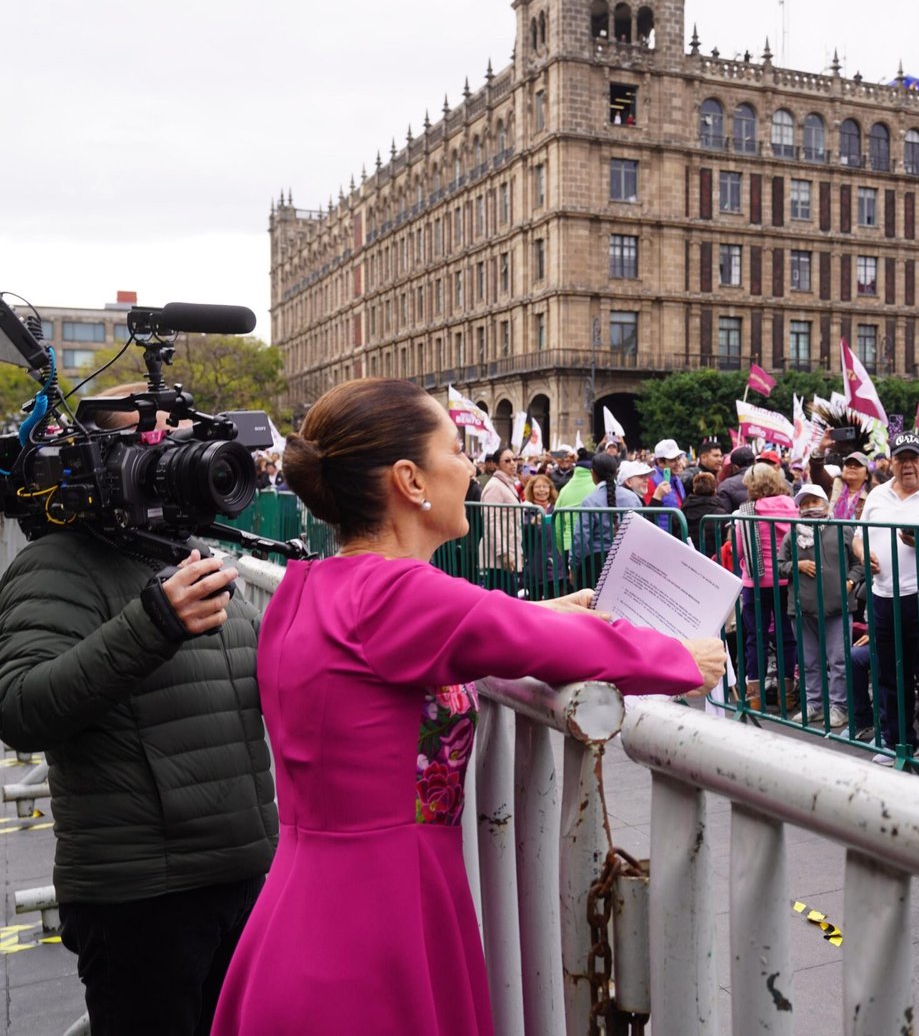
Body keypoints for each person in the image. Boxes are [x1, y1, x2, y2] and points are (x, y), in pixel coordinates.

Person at [211, 378, 721, 1035]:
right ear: (409, 479)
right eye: (456, 448)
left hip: (309, 911)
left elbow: (442, 646)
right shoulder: (397, 594)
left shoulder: (310, 585)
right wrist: (682, 658)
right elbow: (520, 636)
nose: (470, 464)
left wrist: (530, 612)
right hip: (375, 930)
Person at [0, 386, 276, 1035]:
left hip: (241, 880)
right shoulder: (55, 566)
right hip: (142, 901)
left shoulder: (191, 555)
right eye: (159, 444)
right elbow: (20, 709)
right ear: (104, 458)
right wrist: (153, 623)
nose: (184, 460)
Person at [854, 432, 919, 768]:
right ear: (892, 462)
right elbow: (858, 537)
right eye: (901, 458)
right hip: (884, 595)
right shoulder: (877, 495)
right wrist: (863, 555)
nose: (908, 465)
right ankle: (897, 741)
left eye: (914, 457)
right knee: (888, 671)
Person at [777, 484, 853, 730]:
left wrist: (851, 581)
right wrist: (796, 566)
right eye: (805, 503)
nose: (810, 507)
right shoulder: (792, 533)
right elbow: (779, 564)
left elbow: (859, 561)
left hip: (837, 605)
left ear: (825, 503)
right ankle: (814, 704)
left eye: (814, 501)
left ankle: (839, 706)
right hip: (802, 606)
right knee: (809, 661)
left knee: (839, 660)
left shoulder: (842, 529)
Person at [733, 463, 800, 708]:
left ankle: (755, 698)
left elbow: (740, 549)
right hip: (787, 580)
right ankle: (787, 695)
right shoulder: (792, 507)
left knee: (756, 637)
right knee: (787, 636)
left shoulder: (749, 510)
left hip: (756, 582)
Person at [569, 453, 641, 586]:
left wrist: (574, 565)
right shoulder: (633, 498)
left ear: (593, 474)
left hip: (596, 565)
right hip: (628, 561)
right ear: (616, 472)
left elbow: (580, 539)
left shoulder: (590, 501)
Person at [479, 447, 525, 597]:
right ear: (497, 465)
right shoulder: (494, 487)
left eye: (514, 459)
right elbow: (490, 522)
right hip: (499, 555)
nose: (513, 463)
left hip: (510, 547)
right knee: (503, 598)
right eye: (507, 461)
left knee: (509, 597)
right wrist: (503, 552)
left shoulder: (507, 483)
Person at [680, 471, 730, 553]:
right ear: (715, 490)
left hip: (687, 558)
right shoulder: (722, 515)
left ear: (694, 489)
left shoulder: (681, 513)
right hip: (713, 561)